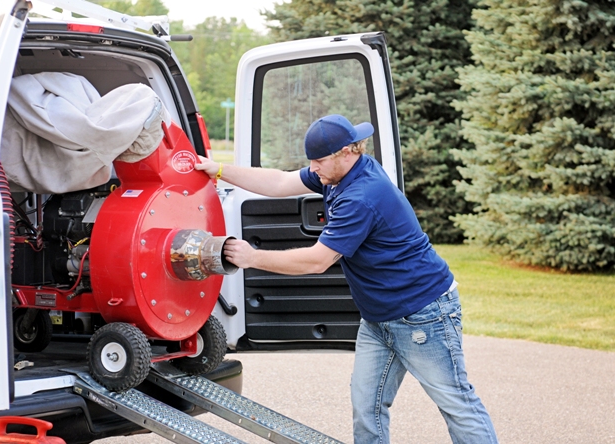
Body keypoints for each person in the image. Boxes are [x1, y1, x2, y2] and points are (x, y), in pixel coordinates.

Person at [195, 114, 498, 444]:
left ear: (348, 151)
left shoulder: (362, 195)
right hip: (379, 319)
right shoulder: (336, 175)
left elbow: (317, 260)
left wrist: (253, 257)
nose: (314, 168)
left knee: (456, 404)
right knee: (367, 408)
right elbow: (280, 182)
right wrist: (220, 170)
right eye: (311, 160)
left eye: (320, 160)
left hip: (423, 315)